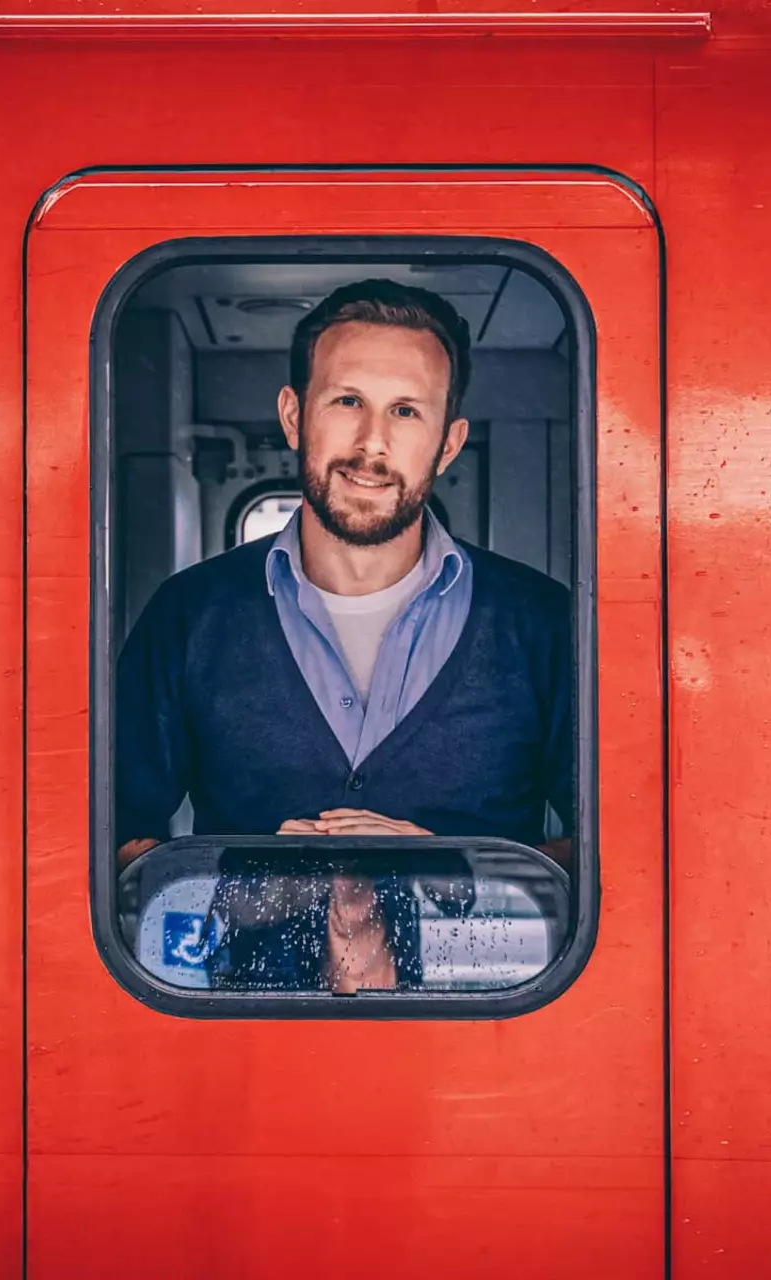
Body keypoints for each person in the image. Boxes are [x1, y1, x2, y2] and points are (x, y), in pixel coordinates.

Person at [115, 278, 574, 992]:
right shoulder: (187, 616)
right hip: (232, 1044)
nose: (372, 444)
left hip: (490, 1042)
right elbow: (107, 847)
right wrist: (260, 884)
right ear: (295, 416)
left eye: (406, 411)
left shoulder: (544, 624)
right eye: (347, 401)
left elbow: (617, 857)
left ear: (448, 443)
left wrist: (447, 865)